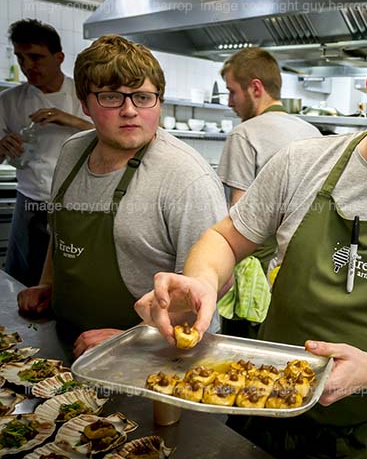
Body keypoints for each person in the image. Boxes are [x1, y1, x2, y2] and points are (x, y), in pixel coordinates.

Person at [135, 4, 367, 459]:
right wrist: (204, 281)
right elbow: (226, 239)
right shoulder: (300, 165)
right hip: (257, 409)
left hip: (366, 441)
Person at [16, 35, 226, 358]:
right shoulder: (72, 152)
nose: (130, 111)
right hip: (64, 349)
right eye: (111, 97)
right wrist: (48, 285)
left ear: (159, 101)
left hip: (147, 367)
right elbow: (59, 234)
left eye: (143, 97)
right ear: (84, 104)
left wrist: (134, 341)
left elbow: (207, 299)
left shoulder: (186, 177)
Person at [217, 48, 320, 336]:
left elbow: (240, 219)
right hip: (303, 272)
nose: (230, 102)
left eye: (232, 92)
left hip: (258, 275)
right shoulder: (312, 132)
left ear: (256, 88)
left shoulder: (244, 134)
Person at [0, 19, 94, 287]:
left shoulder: (82, 96)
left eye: (36, 57)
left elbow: (109, 138)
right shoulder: (9, 101)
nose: (28, 66)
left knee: (70, 281)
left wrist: (70, 120)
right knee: (20, 279)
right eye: (21, 57)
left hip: (76, 204)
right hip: (29, 203)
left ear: (59, 57)